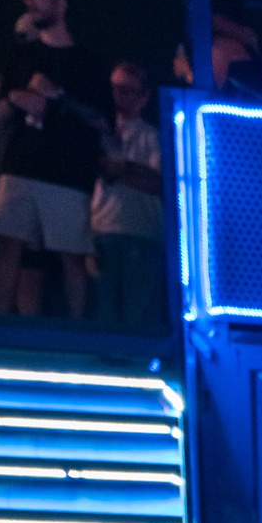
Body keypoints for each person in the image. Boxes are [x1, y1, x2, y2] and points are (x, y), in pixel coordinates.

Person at [0, 0, 110, 317]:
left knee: (72, 256)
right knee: (8, 247)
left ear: (60, 3)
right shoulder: (22, 56)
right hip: (20, 166)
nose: (29, 1)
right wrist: (16, 98)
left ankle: (79, 335)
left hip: (67, 172)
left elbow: (102, 121)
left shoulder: (87, 61)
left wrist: (58, 97)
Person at [89, 62, 165, 325]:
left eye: (127, 90)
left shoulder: (152, 137)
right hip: (101, 230)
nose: (117, 95)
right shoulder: (96, 131)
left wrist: (119, 170)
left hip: (140, 233)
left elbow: (161, 184)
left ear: (144, 97)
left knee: (137, 315)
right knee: (103, 314)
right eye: (114, 88)